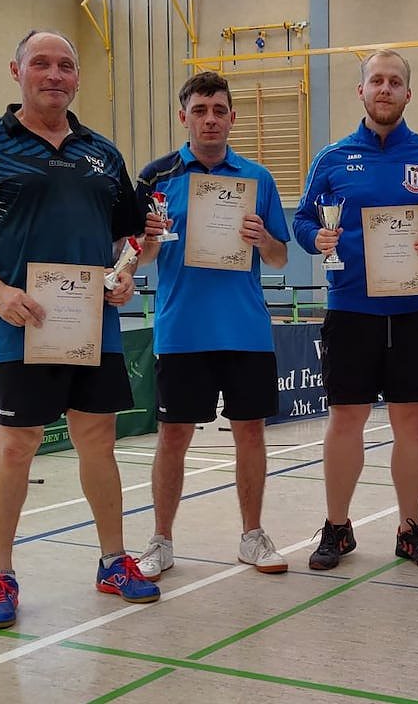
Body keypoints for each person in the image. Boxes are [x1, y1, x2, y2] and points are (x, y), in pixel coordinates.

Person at [0, 30, 160, 630]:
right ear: (17, 71)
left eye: (66, 66)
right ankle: (0, 573)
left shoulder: (103, 154)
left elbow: (130, 240)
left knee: (97, 439)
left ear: (77, 78)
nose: (55, 74)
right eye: (42, 64)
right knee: (16, 445)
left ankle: (113, 561)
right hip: (19, 324)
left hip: (92, 324)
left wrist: (125, 277)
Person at [292, 49, 418, 570]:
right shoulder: (331, 159)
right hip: (351, 312)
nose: (385, 89)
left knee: (411, 426)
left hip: (415, 313)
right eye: (377, 81)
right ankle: (337, 527)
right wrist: (315, 237)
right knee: (345, 420)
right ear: (362, 91)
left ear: (408, 93)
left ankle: (410, 529)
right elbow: (303, 220)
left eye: (395, 82)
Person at [132, 71, 292, 580]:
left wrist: (264, 239)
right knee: (173, 436)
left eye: (219, 110)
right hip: (182, 330)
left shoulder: (258, 179)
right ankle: (161, 541)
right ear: (184, 116)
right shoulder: (155, 178)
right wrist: (148, 241)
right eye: (200, 110)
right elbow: (137, 257)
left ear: (232, 118)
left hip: (245, 331)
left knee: (251, 434)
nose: (210, 119)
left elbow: (281, 258)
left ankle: (252, 536)